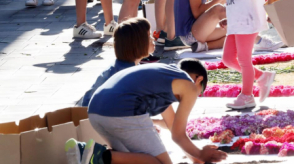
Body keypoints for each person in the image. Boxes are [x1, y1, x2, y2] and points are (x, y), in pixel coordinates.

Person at [76, 59, 227, 164]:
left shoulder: (165, 80)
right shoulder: (189, 85)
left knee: (134, 160)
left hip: (96, 110)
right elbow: (178, 135)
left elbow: (173, 126)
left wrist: (195, 157)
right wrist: (200, 153)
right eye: (200, 92)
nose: (196, 96)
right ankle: (97, 154)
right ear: (198, 79)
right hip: (121, 109)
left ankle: (94, 155)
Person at [215, 0, 277, 109]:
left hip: (248, 23)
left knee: (243, 59)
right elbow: (237, 0)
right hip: (236, 23)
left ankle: (247, 96)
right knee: (227, 59)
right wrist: (229, 17)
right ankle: (261, 76)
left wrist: (272, 11)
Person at [80, 17, 154, 106]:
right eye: (148, 35)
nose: (153, 38)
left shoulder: (120, 66)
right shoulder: (128, 75)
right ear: (138, 43)